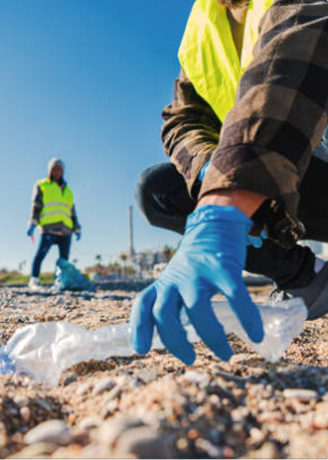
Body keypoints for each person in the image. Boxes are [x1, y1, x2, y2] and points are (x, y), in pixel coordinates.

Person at [131, 0, 328, 365]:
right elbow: (182, 119)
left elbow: (294, 56)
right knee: (159, 191)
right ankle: (306, 277)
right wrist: (213, 172)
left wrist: (225, 201)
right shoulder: (204, 24)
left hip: (300, 152)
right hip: (287, 174)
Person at [27, 158, 81, 291]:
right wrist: (33, 223)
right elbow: (36, 205)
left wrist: (76, 228)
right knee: (41, 254)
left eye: (59, 169)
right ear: (50, 170)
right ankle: (34, 280)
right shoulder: (42, 185)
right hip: (49, 227)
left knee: (64, 260)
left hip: (66, 230)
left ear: (63, 171)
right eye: (54, 169)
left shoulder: (68, 191)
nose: (57, 172)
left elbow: (72, 211)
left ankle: (61, 282)